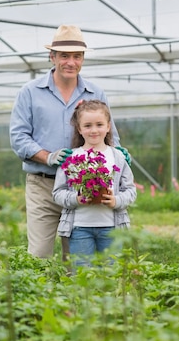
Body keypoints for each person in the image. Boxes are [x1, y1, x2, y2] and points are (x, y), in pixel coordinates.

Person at [9, 24, 128, 259]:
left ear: (82, 59)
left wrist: (119, 153)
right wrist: (48, 156)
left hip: (82, 187)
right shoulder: (30, 92)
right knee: (39, 254)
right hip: (43, 185)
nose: (70, 62)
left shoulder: (95, 94)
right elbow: (18, 137)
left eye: (76, 56)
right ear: (52, 57)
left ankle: (72, 296)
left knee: (75, 257)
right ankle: (38, 294)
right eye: (64, 56)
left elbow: (110, 135)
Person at [52, 99, 136, 270]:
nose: (94, 130)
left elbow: (130, 191)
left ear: (108, 126)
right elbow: (57, 193)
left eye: (99, 124)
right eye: (88, 125)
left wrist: (116, 201)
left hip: (112, 228)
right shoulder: (71, 158)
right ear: (79, 129)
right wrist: (76, 198)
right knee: (82, 275)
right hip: (79, 229)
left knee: (111, 272)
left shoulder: (117, 157)